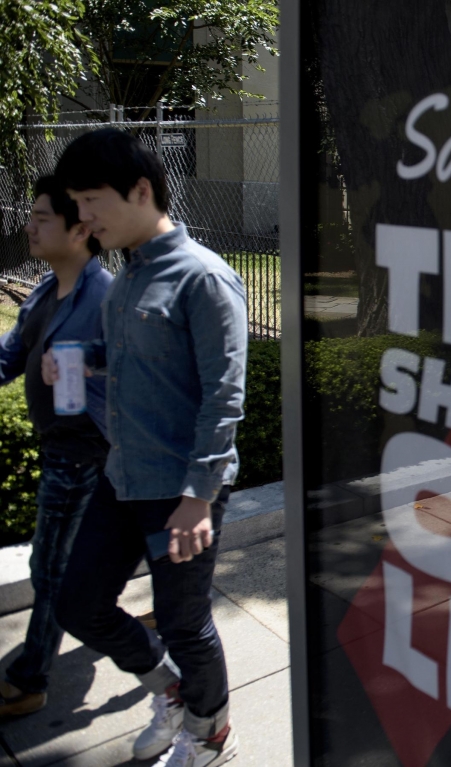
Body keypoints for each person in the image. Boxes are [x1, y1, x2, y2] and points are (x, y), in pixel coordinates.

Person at [48, 128, 248, 767]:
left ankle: (212, 734)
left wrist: (199, 497)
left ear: (141, 191)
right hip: (123, 475)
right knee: (78, 601)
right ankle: (172, 694)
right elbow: (136, 357)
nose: (83, 217)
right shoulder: (126, 277)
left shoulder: (205, 278)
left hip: (179, 489)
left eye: (91, 199)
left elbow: (225, 397)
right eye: (75, 203)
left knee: (185, 622)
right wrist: (83, 359)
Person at [0, 177, 110, 717]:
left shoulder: (103, 296)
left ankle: (30, 677)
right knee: (74, 561)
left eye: (42, 216)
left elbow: (139, 374)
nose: (30, 224)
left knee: (50, 567)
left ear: (80, 230)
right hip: (62, 449)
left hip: (82, 450)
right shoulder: (47, 289)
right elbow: (11, 353)